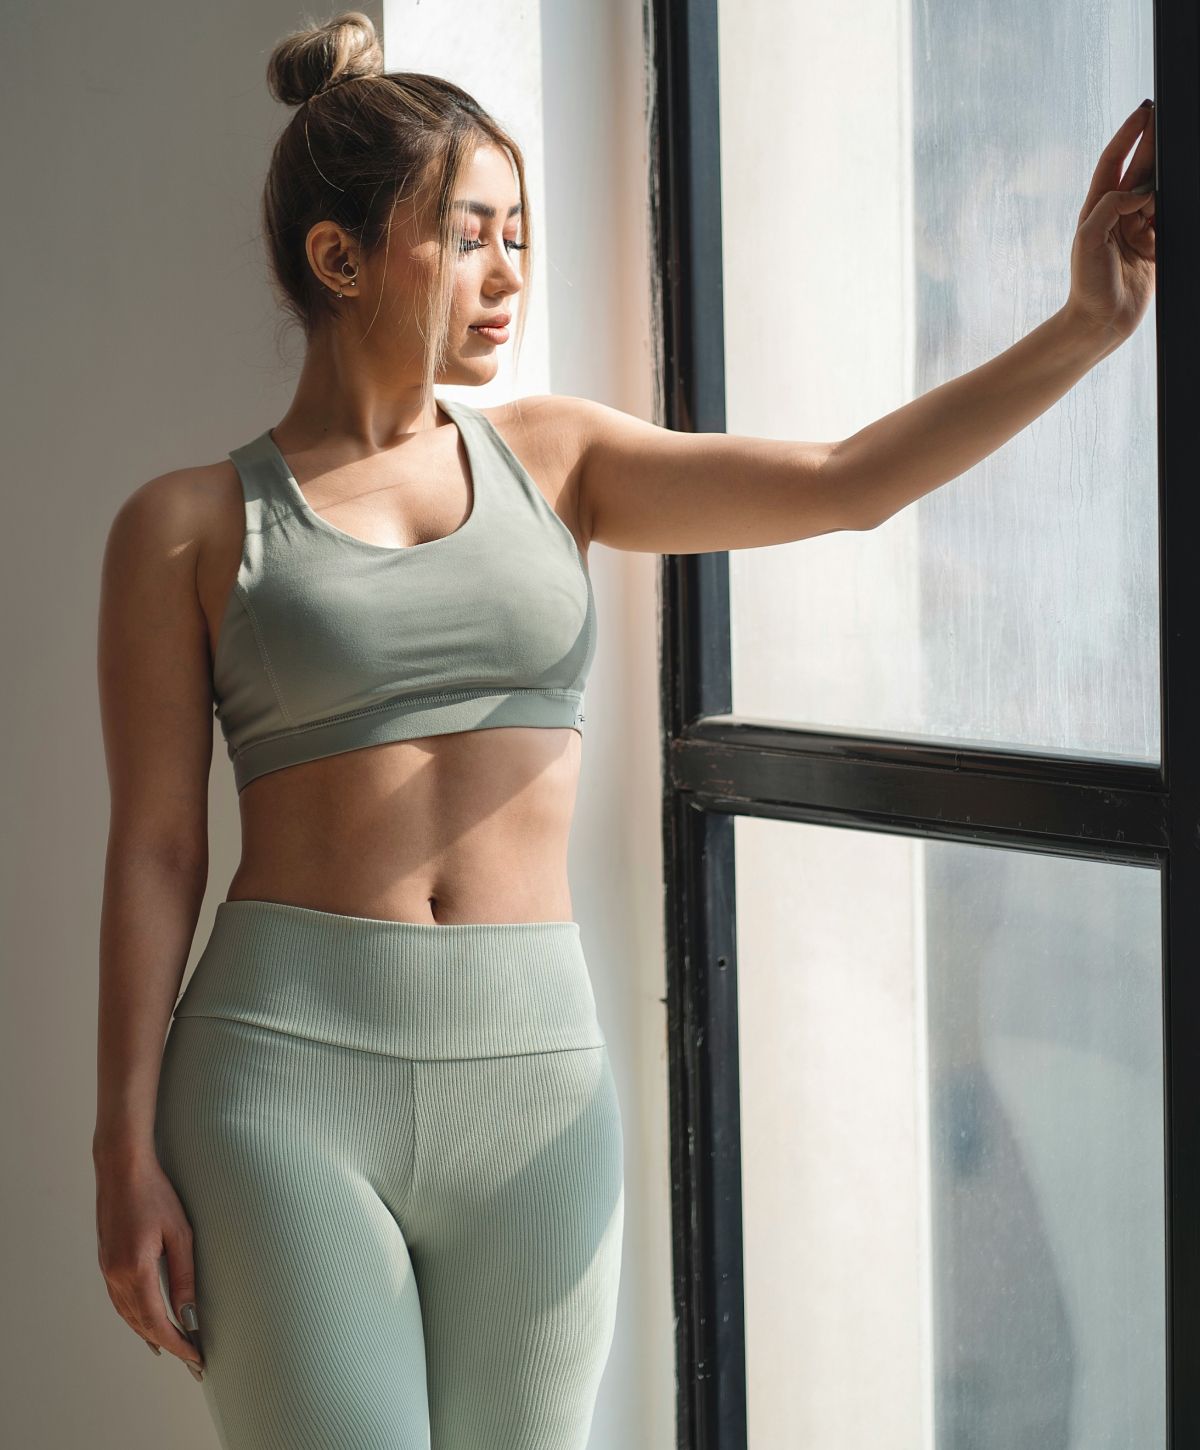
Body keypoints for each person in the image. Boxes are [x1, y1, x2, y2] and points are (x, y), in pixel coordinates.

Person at [91, 9, 1156, 1448]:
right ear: (340, 260)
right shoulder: (185, 525)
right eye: (469, 235)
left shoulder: (561, 459)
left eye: (519, 233)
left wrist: (1087, 326)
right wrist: (121, 1144)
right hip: (280, 1082)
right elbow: (158, 849)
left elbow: (847, 482)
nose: (508, 271)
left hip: (533, 1087)